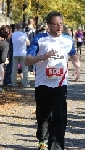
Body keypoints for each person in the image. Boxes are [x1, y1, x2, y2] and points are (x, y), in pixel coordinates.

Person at [25, 11, 80, 150]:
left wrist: (77, 68)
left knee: (59, 116)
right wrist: (43, 56)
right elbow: (27, 60)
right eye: (55, 24)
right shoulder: (40, 39)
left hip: (60, 84)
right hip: (43, 84)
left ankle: (56, 146)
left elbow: (73, 55)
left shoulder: (67, 40)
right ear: (49, 25)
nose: (59, 27)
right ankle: (42, 139)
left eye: (61, 24)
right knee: (43, 116)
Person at [11, 22, 30, 88]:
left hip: (15, 53)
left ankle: (13, 83)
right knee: (25, 69)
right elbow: (28, 43)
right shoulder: (24, 35)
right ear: (21, 27)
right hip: (23, 53)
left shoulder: (13, 35)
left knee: (14, 69)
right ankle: (25, 83)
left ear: (16, 27)